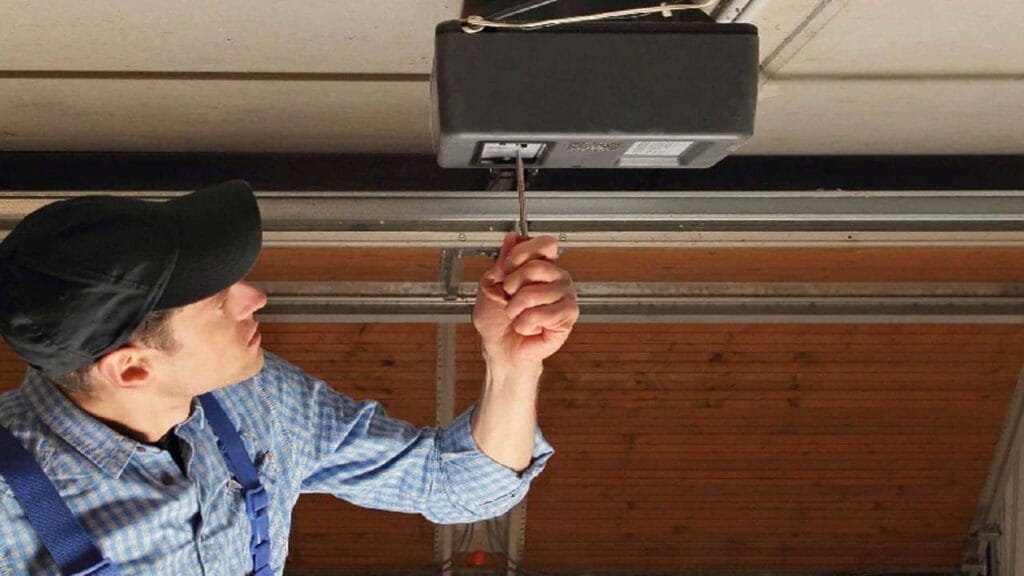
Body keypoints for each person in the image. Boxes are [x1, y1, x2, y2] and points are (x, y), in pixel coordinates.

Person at [0, 180, 579, 575]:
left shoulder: (253, 403)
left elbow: (458, 485)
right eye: (219, 299)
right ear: (132, 368)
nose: (256, 297)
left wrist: (513, 360)